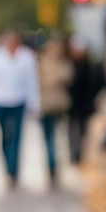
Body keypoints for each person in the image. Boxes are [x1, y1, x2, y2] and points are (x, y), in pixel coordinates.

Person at [0, 31, 41, 188]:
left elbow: (31, 81)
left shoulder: (27, 56)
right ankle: (7, 166)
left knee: (16, 136)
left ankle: (13, 170)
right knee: (4, 135)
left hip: (18, 101)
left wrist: (34, 103)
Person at [36, 37, 73, 185]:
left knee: (58, 136)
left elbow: (67, 77)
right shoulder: (41, 62)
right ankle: (51, 163)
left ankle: (54, 162)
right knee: (48, 136)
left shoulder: (63, 62)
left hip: (59, 104)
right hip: (45, 105)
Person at [67, 40, 106, 163]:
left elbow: (99, 83)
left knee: (82, 129)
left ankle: (78, 151)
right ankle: (74, 152)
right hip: (73, 104)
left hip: (85, 104)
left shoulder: (90, 68)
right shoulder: (71, 66)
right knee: (72, 128)